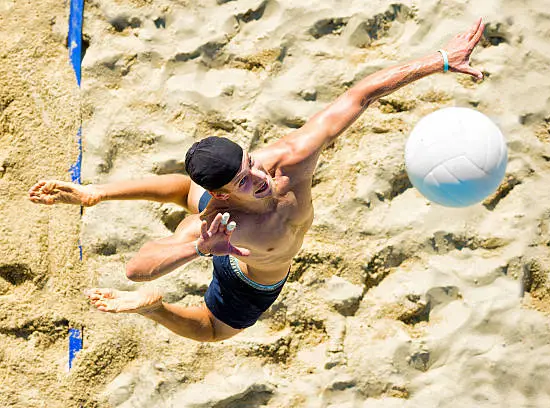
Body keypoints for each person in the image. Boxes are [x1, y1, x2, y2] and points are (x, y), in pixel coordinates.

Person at [28, 19, 485, 342]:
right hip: (248, 272)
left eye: (253, 165)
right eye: (244, 181)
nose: (261, 178)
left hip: (237, 234)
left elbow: (360, 94)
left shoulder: (289, 159)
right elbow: (136, 268)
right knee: (212, 330)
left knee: (180, 191)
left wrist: (441, 60)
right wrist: (200, 250)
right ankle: (156, 309)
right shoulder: (222, 221)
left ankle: (97, 197)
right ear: (222, 194)